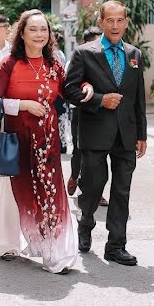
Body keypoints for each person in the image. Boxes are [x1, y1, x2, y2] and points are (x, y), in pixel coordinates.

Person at [0, 10, 90, 272]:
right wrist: (23, 105)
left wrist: (87, 87)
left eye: (44, 29)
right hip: (16, 142)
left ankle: (54, 252)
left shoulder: (54, 65)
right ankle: (11, 242)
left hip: (47, 141)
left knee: (50, 193)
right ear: (22, 33)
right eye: (33, 29)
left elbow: (69, 91)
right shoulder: (9, 64)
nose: (39, 34)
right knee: (16, 194)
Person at [64, 0, 148, 266]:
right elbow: (69, 90)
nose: (115, 25)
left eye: (120, 20)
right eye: (109, 20)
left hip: (126, 134)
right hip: (95, 133)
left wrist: (142, 134)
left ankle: (116, 245)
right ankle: (85, 222)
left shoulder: (134, 54)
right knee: (93, 187)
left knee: (122, 191)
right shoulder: (84, 53)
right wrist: (99, 100)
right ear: (101, 22)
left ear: (126, 22)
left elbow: (138, 98)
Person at [66, 26, 106, 207]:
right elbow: (69, 89)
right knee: (79, 150)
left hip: (103, 114)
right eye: (94, 43)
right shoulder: (76, 59)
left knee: (100, 155)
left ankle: (96, 193)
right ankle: (75, 176)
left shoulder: (107, 60)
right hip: (81, 113)